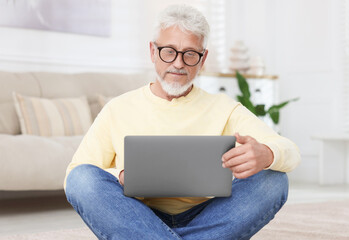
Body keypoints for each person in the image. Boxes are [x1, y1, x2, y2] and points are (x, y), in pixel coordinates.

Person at [64, 4, 301, 240]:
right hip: (135, 214)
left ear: (203, 58)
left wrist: (267, 153)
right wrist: (122, 176)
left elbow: (290, 151)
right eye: (169, 51)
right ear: (153, 51)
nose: (178, 63)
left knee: (274, 180)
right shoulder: (118, 109)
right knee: (82, 179)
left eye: (190, 54)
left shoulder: (225, 108)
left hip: (207, 216)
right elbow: (75, 175)